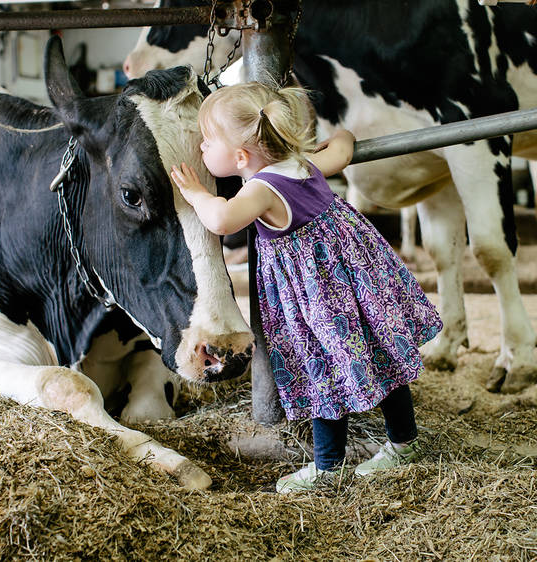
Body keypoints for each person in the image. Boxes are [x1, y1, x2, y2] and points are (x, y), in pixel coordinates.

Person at [171, 81, 442, 493]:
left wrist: (194, 192)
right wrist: (344, 133)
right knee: (382, 359)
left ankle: (328, 467)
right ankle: (404, 443)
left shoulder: (261, 189)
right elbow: (343, 151)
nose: (203, 148)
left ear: (242, 155)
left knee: (323, 372)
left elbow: (222, 220)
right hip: (355, 284)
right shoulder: (301, 162)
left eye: (208, 141)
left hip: (317, 298)